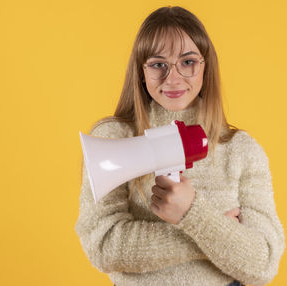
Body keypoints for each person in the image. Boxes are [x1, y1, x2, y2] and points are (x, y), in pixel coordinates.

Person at [75, 6, 285, 286]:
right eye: (158, 64)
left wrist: (192, 212)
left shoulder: (242, 150)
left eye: (187, 62)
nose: (173, 78)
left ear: (204, 66)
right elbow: (102, 243)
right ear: (142, 70)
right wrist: (205, 232)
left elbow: (262, 263)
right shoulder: (114, 139)